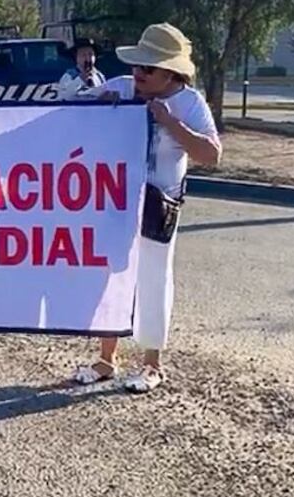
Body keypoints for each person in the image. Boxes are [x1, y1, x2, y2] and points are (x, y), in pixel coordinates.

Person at [73, 23, 222, 394]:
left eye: (148, 69)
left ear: (170, 72)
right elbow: (71, 113)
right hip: (116, 201)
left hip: (158, 207)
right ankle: (106, 358)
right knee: (109, 277)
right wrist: (97, 106)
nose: (138, 74)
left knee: (153, 281)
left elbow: (211, 155)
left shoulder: (190, 104)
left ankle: (152, 365)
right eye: (137, 66)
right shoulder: (122, 88)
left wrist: (170, 123)